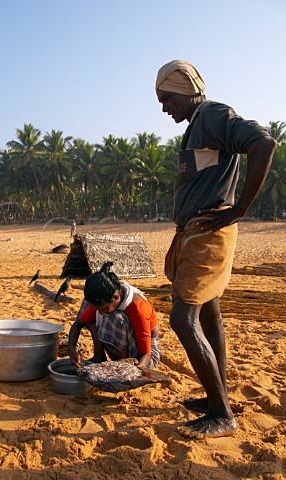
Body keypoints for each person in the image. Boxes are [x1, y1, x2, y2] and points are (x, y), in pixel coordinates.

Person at [155, 59, 276, 438]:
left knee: (182, 320)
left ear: (185, 89)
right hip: (196, 233)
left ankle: (222, 414)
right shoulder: (198, 127)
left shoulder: (211, 115)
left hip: (209, 234)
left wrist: (240, 209)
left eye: (166, 98)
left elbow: (263, 142)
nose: (164, 107)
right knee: (209, 314)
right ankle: (216, 397)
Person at [68, 262, 160, 369]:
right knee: (89, 307)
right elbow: (78, 323)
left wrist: (135, 369)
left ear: (116, 296)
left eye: (103, 308)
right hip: (121, 347)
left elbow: (146, 355)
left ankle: (121, 364)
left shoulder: (138, 309)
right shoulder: (104, 300)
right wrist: (71, 348)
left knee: (115, 318)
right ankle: (99, 356)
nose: (101, 312)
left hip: (145, 357)